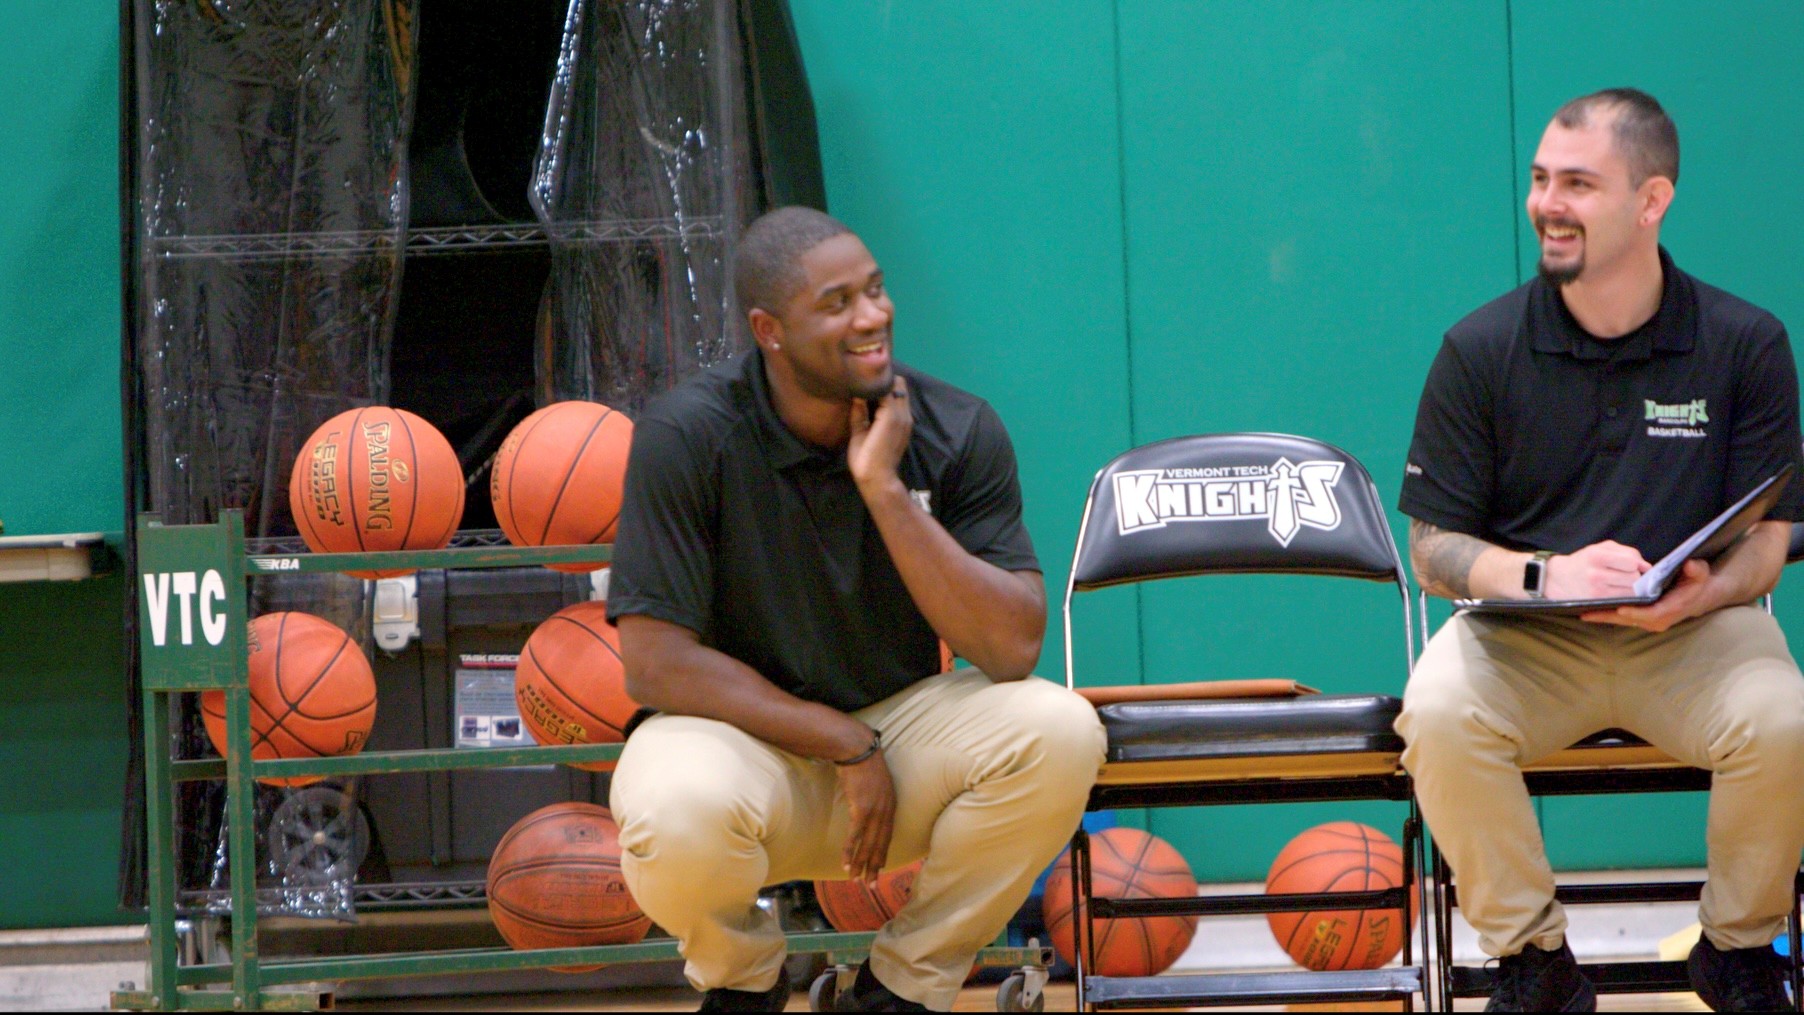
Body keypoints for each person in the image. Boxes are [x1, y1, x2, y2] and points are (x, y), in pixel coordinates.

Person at [604, 206, 1106, 1013]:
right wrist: (842, 741)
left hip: (902, 744)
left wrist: (885, 490)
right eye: (837, 303)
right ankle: (744, 980)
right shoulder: (687, 433)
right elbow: (654, 661)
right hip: (750, 747)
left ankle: (906, 983)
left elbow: (1013, 646)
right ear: (768, 329)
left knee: (1060, 730)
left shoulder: (955, 429)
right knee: (670, 805)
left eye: (874, 291)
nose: (872, 316)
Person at [1396, 88, 1804, 1013]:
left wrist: (1701, 594)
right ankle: (1534, 962)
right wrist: (1547, 576)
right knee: (1441, 714)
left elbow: (1770, 538)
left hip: (1695, 633)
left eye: (1578, 183)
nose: (1548, 203)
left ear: (1651, 200)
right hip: (1525, 636)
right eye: (1541, 180)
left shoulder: (1746, 343)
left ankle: (1738, 950)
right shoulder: (1480, 348)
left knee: (1784, 718)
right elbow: (1432, 547)